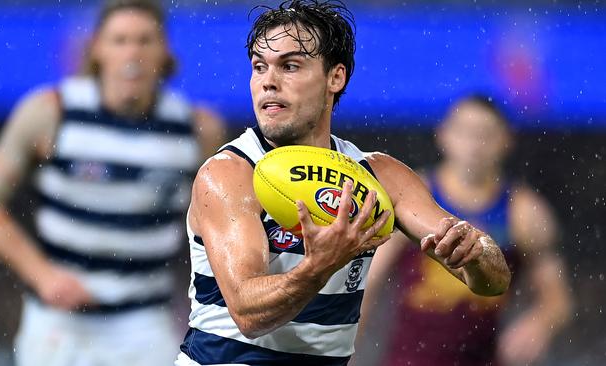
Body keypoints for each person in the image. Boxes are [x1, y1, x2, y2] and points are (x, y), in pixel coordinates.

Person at [175, 2, 511, 365]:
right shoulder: (229, 174)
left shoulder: (382, 177)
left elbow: (493, 281)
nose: (268, 81)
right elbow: (249, 314)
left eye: (290, 66)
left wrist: (476, 254)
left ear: (335, 77)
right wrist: (320, 265)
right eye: (259, 67)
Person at [0, 1, 225, 365]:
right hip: (58, 325)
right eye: (120, 40)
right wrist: (42, 275)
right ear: (97, 49)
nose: (132, 52)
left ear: (164, 51)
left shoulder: (197, 130)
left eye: (145, 40)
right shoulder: (51, 112)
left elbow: (218, 224)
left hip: (144, 326)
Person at [359, 95, 572, 366]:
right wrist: (346, 347)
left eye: (485, 134)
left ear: (506, 140)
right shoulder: (413, 197)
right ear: (444, 135)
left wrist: (538, 324)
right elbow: (368, 283)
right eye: (465, 132)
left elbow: (558, 299)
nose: (474, 145)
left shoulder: (524, 212)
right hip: (410, 360)